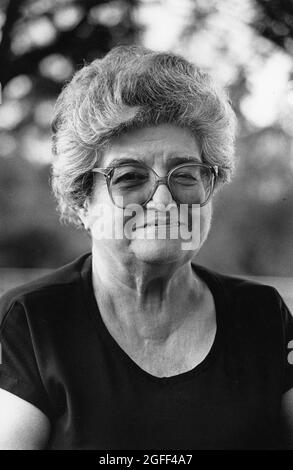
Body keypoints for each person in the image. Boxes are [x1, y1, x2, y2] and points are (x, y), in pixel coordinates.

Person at [0, 45, 292, 450]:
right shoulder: (32, 323)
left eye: (185, 174)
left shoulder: (264, 317)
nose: (163, 202)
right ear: (84, 202)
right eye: (129, 177)